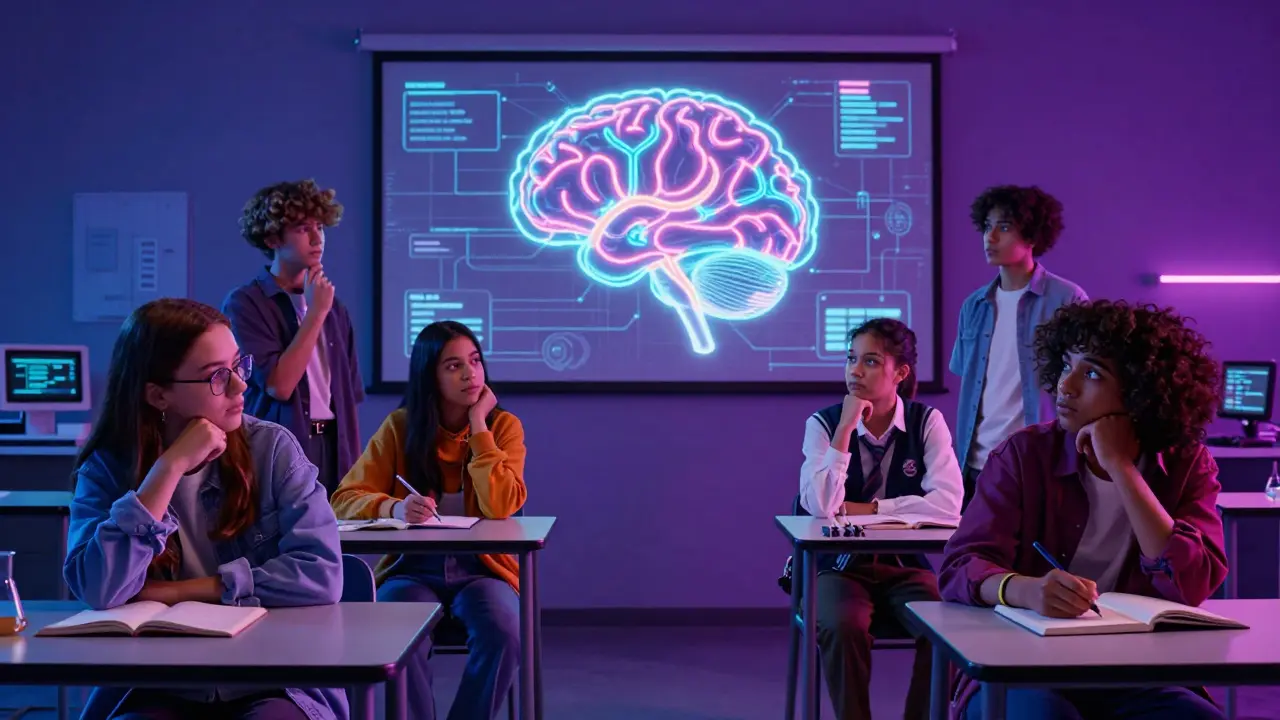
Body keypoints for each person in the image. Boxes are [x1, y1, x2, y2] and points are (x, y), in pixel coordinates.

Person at [939, 299, 1227, 720]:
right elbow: (960, 565)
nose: (1065, 386)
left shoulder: (1187, 464)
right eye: (1065, 366)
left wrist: (1122, 468)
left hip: (1139, 670)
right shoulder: (1024, 455)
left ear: (1140, 392)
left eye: (1091, 373)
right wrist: (1025, 590)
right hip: (1023, 664)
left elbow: (1192, 583)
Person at [64, 298, 345, 720]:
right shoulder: (108, 467)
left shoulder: (272, 449)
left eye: (237, 366)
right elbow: (99, 589)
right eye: (217, 376)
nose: (240, 387)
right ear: (159, 394)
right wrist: (169, 468)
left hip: (269, 675)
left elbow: (322, 573)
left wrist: (183, 591)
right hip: (157, 681)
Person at [331, 320, 526, 720]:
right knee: (394, 632)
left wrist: (479, 426)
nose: (470, 373)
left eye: (475, 361)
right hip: (412, 568)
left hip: (484, 570)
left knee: (506, 631)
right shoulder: (400, 427)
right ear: (430, 376)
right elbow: (343, 499)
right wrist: (393, 508)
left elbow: (501, 505)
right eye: (453, 366)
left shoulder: (503, 426)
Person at [799, 318, 963, 720]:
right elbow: (820, 505)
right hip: (840, 566)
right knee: (843, 626)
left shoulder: (926, 422)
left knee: (949, 630)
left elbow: (948, 504)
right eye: (851, 359)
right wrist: (845, 429)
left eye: (870, 361)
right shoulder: (822, 424)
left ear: (900, 373)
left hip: (905, 564)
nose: (855, 371)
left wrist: (872, 509)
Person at [222, 179, 363, 496]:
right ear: (272, 238)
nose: (317, 238)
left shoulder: (334, 308)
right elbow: (279, 386)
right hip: (282, 448)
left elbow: (348, 396)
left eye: (320, 227)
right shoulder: (246, 303)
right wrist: (315, 314)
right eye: (302, 229)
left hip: (335, 448)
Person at [951, 185, 1087, 509]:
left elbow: (1086, 381)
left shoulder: (1067, 299)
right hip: (976, 464)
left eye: (1004, 227)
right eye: (987, 226)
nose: (991, 237)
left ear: (1032, 236)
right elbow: (967, 381)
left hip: (1038, 463)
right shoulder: (974, 305)